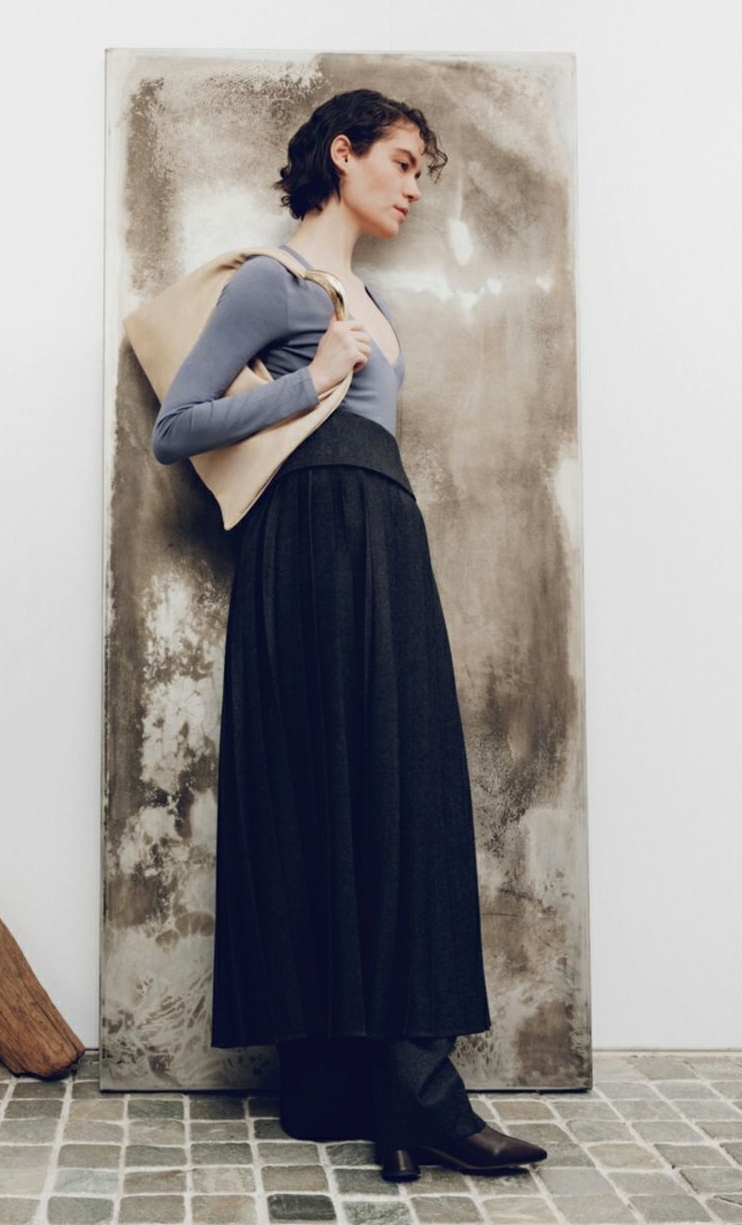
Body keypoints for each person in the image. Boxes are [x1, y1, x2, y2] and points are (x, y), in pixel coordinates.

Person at [150, 89, 547, 1181]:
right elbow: (175, 427)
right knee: (314, 790)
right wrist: (312, 380)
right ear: (343, 152)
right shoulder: (272, 283)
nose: (415, 186)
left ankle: (403, 1092)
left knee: (405, 791)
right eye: (403, 161)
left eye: (421, 170)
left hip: (384, 537)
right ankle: (338, 1083)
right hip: (302, 545)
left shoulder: (371, 297)